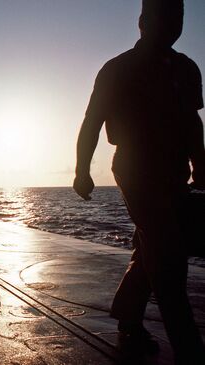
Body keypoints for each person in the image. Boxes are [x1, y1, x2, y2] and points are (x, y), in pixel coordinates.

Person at [73, 1, 204, 362]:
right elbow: (92, 122)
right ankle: (190, 350)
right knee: (167, 252)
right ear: (143, 21)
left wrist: (200, 163)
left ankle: (128, 315)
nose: (173, 25)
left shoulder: (187, 67)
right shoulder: (117, 69)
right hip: (135, 168)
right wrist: (82, 170)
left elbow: (193, 121)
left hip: (174, 172)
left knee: (152, 243)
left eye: (179, 18)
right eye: (165, 17)